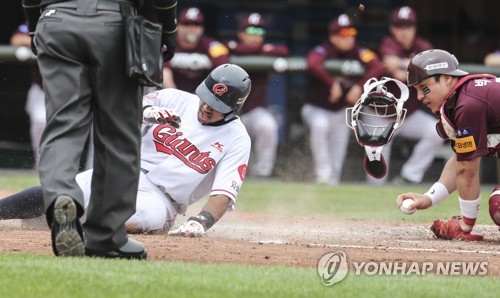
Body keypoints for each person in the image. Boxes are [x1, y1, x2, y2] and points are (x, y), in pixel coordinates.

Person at [0, 64, 252, 238]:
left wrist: (201, 222)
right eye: (206, 97)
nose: (207, 107)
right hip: (122, 172)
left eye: (217, 105)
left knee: (129, 217)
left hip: (161, 201)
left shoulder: (237, 139)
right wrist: (142, 114)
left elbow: (224, 194)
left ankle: (68, 225)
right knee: (58, 194)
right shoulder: (174, 98)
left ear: (234, 108)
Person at [22, 0, 178, 259]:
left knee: (63, 124)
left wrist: (33, 26)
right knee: (118, 133)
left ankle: (64, 198)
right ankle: (105, 236)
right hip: (114, 22)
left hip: (55, 19)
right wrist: (168, 28)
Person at [396, 49, 500, 241]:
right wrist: (429, 198)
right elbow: (460, 161)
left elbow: (466, 169)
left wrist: (465, 224)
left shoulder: (467, 103)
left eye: (424, 87)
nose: (419, 96)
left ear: (445, 78)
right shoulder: (465, 96)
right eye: (416, 89)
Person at [302, 13, 385, 184]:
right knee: (320, 126)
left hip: (340, 110)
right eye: (343, 34)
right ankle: (322, 174)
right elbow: (311, 62)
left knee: (339, 143)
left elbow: (378, 65)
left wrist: (359, 86)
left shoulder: (359, 52)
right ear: (333, 37)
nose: (349, 38)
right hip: (317, 108)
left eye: (351, 33)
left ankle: (333, 181)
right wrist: (332, 83)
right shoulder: (324, 49)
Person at [10, 23, 94, 171]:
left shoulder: (84, 21)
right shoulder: (40, 20)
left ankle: (92, 171)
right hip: (44, 88)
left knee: (98, 126)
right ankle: (42, 168)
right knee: (40, 120)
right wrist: (46, 42)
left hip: (84, 88)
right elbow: (17, 39)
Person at [375, 6, 444, 185]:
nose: (404, 31)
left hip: (408, 115)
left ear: (414, 28)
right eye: (400, 27)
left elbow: (429, 67)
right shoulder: (387, 43)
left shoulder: (423, 46)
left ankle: (409, 176)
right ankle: (374, 189)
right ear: (392, 28)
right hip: (381, 115)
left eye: (408, 26)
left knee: (436, 131)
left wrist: (401, 65)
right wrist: (412, 69)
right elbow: (393, 70)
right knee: (375, 173)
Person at [225, 12, 289, 177]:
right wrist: (258, 50)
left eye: (259, 32)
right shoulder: (230, 46)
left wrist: (253, 50)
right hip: (227, 110)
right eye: (250, 31)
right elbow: (225, 47)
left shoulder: (265, 50)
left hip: (253, 110)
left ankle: (263, 173)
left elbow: (283, 50)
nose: (255, 36)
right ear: (241, 33)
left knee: (268, 126)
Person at [163, 7, 230, 92]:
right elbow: (164, 70)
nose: (192, 28)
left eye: (196, 24)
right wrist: (174, 96)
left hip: (202, 97)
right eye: (186, 24)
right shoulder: (168, 44)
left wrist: (206, 98)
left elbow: (223, 69)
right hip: (172, 95)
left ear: (202, 28)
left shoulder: (211, 45)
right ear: (178, 26)